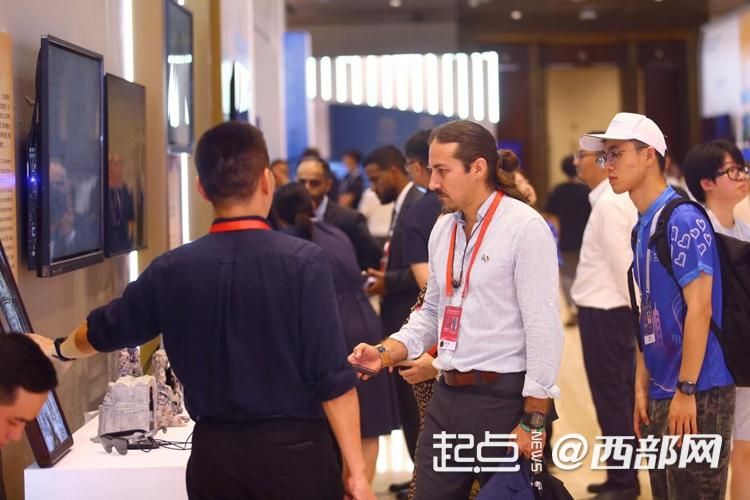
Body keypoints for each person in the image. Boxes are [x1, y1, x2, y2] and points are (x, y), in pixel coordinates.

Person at [31, 122, 375, 500]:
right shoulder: (305, 262)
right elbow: (331, 378)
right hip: (297, 459)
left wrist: (60, 348)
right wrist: (357, 474)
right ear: (266, 181)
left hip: (215, 459)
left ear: (201, 188)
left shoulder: (171, 269)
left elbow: (105, 329)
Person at [350, 120, 563, 499]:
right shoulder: (444, 229)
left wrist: (534, 419)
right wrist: (384, 353)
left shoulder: (524, 227)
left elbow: (543, 326)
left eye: (442, 171)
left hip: (504, 399)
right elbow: (431, 312)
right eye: (431, 170)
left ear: (477, 168)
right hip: (447, 396)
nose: (432, 182)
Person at [579, 113, 735, 500]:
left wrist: (686, 390)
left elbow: (700, 309)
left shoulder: (683, 219)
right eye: (604, 156)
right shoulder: (642, 224)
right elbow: (646, 313)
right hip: (662, 389)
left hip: (699, 389)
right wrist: (641, 386)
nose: (608, 165)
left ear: (649, 155)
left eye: (616, 153)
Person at [272, 182, 398, 484]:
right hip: (365, 323)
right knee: (368, 422)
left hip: (330, 325)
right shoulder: (335, 232)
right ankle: (362, 488)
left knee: (334, 420)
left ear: (277, 214)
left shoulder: (286, 243)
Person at [570, 138, 640, 499]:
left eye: (580, 156)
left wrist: (639, 319)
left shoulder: (610, 204)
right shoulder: (605, 201)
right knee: (613, 397)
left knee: (613, 398)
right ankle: (620, 476)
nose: (575, 162)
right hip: (607, 313)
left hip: (608, 314)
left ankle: (624, 482)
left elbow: (623, 267)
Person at [681, 140, 750, 500]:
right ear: (706, 182)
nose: (743, 177)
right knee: (711, 462)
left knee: (746, 451)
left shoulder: (744, 230)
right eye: (733, 170)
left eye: (743, 169)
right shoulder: (696, 230)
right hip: (711, 363)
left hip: (742, 354)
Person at [361, 145, 424, 475]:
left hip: (415, 324)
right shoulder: (403, 206)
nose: (373, 188)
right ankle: (419, 480)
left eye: (376, 179)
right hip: (402, 327)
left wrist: (389, 281)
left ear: (395, 171)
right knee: (409, 412)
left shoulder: (418, 206)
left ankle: (426, 484)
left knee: (417, 411)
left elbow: (425, 273)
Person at [296, 156, 382, 271]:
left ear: (328, 185)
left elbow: (371, 258)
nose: (306, 189)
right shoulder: (288, 217)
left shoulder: (350, 219)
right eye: (301, 182)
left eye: (314, 183)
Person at [544, 155, 591, 326]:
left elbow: (552, 218)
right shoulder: (587, 191)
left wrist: (555, 239)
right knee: (584, 274)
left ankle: (572, 307)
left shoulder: (558, 191)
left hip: (565, 240)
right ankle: (583, 307)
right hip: (586, 239)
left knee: (566, 276)